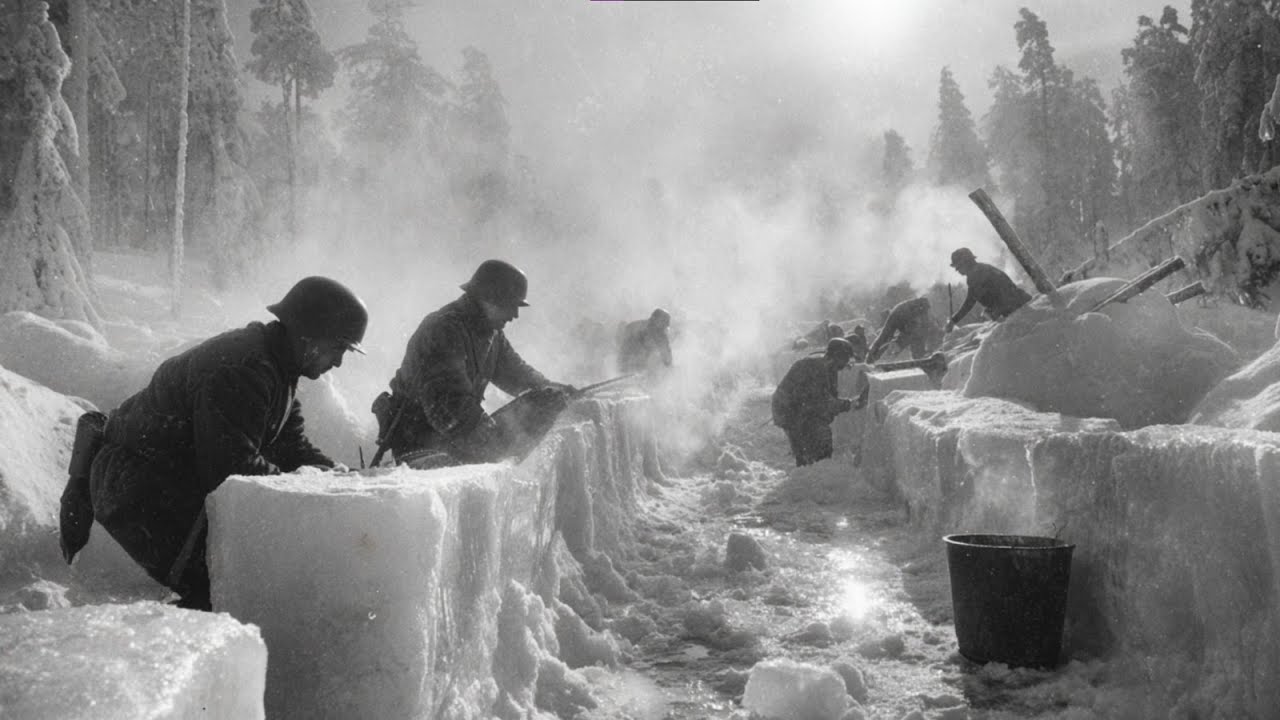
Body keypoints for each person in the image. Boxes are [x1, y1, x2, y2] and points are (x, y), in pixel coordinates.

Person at [59, 276, 368, 610]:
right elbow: (229, 470)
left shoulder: (277, 366)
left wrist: (338, 476)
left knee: (233, 580)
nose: (338, 362)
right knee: (224, 590)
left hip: (159, 477)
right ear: (310, 336)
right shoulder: (244, 370)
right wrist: (308, 488)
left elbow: (291, 447)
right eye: (338, 348)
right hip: (137, 483)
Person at [375, 259, 574, 467]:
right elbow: (449, 407)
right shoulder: (444, 329)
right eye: (510, 305)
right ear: (490, 298)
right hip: (421, 447)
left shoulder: (491, 333)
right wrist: (490, 439)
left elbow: (517, 373)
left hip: (453, 437)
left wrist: (552, 390)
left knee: (542, 403)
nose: (514, 316)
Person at [771, 337, 861, 467]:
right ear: (838, 356)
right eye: (846, 359)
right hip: (788, 410)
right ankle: (813, 470)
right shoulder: (817, 368)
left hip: (798, 407)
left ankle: (812, 467)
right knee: (816, 439)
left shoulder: (828, 366)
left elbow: (828, 399)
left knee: (813, 439)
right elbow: (824, 403)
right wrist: (850, 404)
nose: (846, 364)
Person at [945, 248, 1033, 331]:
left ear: (965, 262)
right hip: (1018, 305)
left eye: (958, 267)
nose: (957, 270)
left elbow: (970, 301)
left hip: (1015, 310)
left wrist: (953, 320)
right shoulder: (981, 269)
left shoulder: (976, 275)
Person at [867, 297, 935, 363]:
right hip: (899, 315)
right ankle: (871, 358)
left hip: (899, 313)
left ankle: (871, 357)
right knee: (886, 337)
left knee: (884, 337)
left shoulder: (919, 309)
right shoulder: (918, 310)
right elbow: (916, 333)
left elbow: (921, 331)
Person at [617, 308, 673, 374]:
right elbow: (624, 346)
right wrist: (624, 365)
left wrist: (667, 367)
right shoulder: (636, 327)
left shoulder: (661, 335)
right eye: (663, 324)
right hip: (629, 362)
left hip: (643, 366)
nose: (663, 328)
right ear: (656, 320)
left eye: (664, 326)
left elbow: (666, 355)